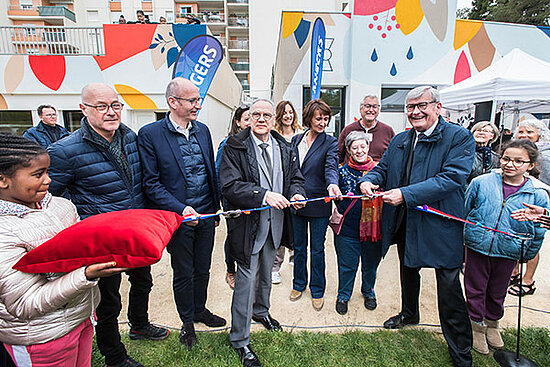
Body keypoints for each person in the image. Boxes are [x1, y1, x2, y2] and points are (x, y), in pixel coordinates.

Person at [48, 83, 168, 367]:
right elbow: (49, 196)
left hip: (135, 231)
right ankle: (114, 355)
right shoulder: (65, 150)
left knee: (143, 281)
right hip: (103, 240)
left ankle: (139, 324)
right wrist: (83, 223)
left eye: (115, 105)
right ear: (84, 110)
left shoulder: (131, 138)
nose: (111, 112)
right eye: (102, 106)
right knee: (108, 301)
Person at [359, 86, 474, 367]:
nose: (415, 112)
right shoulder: (401, 140)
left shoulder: (459, 138)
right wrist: (369, 179)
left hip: (441, 223)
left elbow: (452, 178)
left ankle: (460, 349)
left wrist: (405, 195)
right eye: (410, 107)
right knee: (408, 269)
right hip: (404, 221)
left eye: (422, 105)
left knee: (448, 285)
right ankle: (409, 313)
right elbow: (382, 168)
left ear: (438, 106)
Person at [0, 133, 125, 366]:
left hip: (81, 320)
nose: (48, 180)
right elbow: (24, 304)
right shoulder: (4, 231)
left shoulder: (61, 205)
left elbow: (82, 251)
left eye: (48, 171)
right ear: (3, 180)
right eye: (38, 174)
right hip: (41, 339)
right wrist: (86, 275)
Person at [138, 78, 225, 351]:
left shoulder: (203, 130)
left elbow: (209, 171)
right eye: (192, 101)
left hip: (207, 214)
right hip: (178, 218)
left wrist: (215, 206)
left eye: (199, 100)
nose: (198, 106)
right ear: (173, 102)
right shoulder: (150, 134)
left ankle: (200, 310)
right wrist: (180, 208)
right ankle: (186, 323)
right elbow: (151, 182)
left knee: (203, 268)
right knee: (184, 272)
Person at [220, 99, 306, 367]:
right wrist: (264, 195)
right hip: (248, 227)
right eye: (255, 114)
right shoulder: (234, 146)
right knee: (245, 282)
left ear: (273, 118)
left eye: (266, 115)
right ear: (248, 117)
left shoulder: (283, 145)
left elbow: (295, 177)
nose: (260, 119)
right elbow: (230, 186)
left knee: (268, 274)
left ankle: (261, 312)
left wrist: (297, 193)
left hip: (276, 224)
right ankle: (240, 340)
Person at [464, 139, 548, 354]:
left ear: (530, 166)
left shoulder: (537, 194)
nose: (510, 164)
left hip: (508, 249)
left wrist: (527, 253)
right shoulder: (481, 182)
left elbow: (538, 229)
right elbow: (466, 210)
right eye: (506, 159)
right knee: (475, 287)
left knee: (498, 289)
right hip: (478, 245)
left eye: (519, 161)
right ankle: (476, 327)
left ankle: (493, 323)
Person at [289, 99, 340, 311]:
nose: (323, 122)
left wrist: (332, 185)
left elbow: (331, 167)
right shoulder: (296, 139)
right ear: (309, 117)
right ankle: (298, 283)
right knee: (299, 247)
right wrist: (292, 194)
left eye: (326, 119)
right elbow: (290, 170)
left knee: (317, 248)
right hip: (297, 201)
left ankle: (317, 289)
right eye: (319, 118)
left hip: (319, 203)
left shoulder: (330, 142)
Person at [334, 131, 382, 315]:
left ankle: (368, 291)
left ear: (368, 147)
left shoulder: (379, 171)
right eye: (355, 147)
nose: (359, 151)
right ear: (348, 150)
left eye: (363, 146)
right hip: (348, 229)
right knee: (347, 265)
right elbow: (337, 199)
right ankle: (344, 295)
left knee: (370, 264)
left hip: (373, 229)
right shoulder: (341, 172)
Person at [507, 118, 550, 297]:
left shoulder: (545, 156)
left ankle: (528, 280)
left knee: (532, 242)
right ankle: (514, 272)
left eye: (529, 132)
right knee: (515, 238)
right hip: (518, 201)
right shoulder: (516, 150)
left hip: (537, 204)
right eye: (522, 132)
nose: (525, 135)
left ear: (539, 134)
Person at [215, 104, 251, 289]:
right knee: (233, 236)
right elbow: (218, 172)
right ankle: (231, 269)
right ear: (237, 122)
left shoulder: (253, 142)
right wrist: (220, 201)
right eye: (247, 119)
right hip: (232, 200)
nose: (251, 122)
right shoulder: (227, 144)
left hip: (250, 199)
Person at [271, 100, 301, 283]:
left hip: (296, 186)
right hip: (280, 186)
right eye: (284, 113)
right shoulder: (274, 135)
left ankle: (294, 256)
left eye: (290, 112)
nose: (288, 116)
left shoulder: (301, 134)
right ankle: (275, 266)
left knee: (295, 225)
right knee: (280, 228)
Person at [338, 95, 395, 164]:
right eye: (367, 106)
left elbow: (393, 156)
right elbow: (338, 155)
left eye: (374, 107)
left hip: (377, 173)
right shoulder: (349, 129)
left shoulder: (387, 131)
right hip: (351, 173)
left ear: (378, 110)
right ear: (360, 109)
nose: (371, 110)